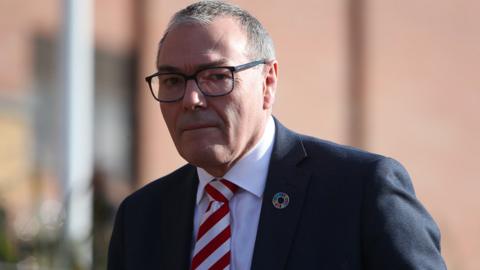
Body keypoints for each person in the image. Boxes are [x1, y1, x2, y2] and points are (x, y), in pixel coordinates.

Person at [108, 1, 446, 269]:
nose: (191, 99)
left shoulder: (361, 190)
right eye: (172, 81)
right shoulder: (141, 217)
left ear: (268, 83)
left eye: (215, 76)